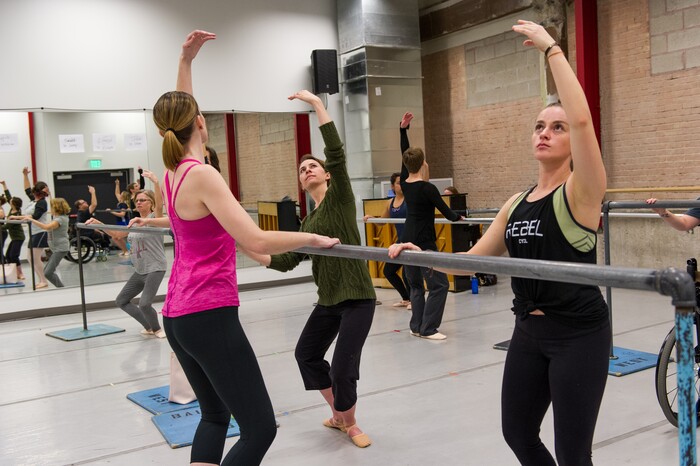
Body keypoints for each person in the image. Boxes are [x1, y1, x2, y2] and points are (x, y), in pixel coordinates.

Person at [389, 21, 609, 466]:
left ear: (573, 142)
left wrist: (552, 50)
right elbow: (470, 263)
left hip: (578, 334)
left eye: (557, 128)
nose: (545, 132)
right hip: (528, 330)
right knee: (518, 434)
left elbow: (584, 119)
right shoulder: (516, 202)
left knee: (573, 454)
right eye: (539, 126)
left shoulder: (581, 193)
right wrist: (422, 255)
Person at [132, 30, 339, 466]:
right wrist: (313, 238)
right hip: (208, 314)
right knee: (260, 428)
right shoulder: (203, 175)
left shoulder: (172, 174)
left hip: (178, 316)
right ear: (201, 124)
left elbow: (182, 109)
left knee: (213, 416)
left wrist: (186, 61)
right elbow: (256, 239)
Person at [245, 90, 377, 449]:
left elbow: (335, 152)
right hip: (329, 301)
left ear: (327, 176)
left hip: (358, 299)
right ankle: (340, 415)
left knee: (344, 367)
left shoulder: (340, 197)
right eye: (302, 170)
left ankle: (349, 423)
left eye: (312, 166)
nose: (307, 170)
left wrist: (317, 106)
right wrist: (249, 247)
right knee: (306, 355)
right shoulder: (307, 223)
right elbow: (287, 261)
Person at [398, 111, 464, 341]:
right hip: (424, 242)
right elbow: (447, 213)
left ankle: (416, 326)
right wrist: (459, 218)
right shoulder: (428, 188)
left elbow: (404, 155)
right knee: (439, 285)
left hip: (406, 239)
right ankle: (428, 328)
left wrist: (402, 129)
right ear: (423, 162)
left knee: (416, 285)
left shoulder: (405, 184)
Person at [87, 188, 166, 338]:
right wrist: (98, 223)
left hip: (155, 268)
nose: (139, 202)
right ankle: (148, 326)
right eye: (137, 200)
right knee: (121, 300)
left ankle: (157, 329)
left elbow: (160, 205)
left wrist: (156, 182)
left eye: (142, 200)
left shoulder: (154, 219)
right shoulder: (134, 223)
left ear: (151, 203)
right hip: (140, 270)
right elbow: (116, 234)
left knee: (144, 304)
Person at [363, 172, 410, 307]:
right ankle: (406, 298)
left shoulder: (411, 200)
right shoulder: (390, 202)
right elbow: (382, 222)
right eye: (398, 183)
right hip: (400, 242)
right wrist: (371, 218)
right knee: (388, 271)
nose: (401, 185)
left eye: (403, 182)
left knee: (408, 275)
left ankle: (415, 300)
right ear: (392, 186)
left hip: (411, 241)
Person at [15, 198, 71, 288]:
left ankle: (61, 288)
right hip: (56, 248)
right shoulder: (57, 217)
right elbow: (31, 216)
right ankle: (61, 287)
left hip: (60, 248)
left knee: (48, 272)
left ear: (56, 208)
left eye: (52, 207)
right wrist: (17, 217)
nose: (50, 209)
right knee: (47, 271)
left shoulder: (59, 220)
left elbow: (46, 227)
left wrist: (32, 220)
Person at [22, 167, 50, 288]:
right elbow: (27, 189)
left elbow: (36, 216)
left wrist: (19, 218)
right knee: (29, 258)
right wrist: (25, 176)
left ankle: (43, 280)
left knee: (35, 258)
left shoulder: (42, 202)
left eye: (34, 191)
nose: (31, 193)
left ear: (37, 192)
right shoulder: (34, 201)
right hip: (33, 233)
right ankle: (41, 279)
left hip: (40, 232)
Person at [1, 182, 26, 281]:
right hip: (14, 238)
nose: (9, 202)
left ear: (14, 204)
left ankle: (20, 273)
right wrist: (4, 185)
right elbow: (8, 197)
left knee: (13, 256)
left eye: (11, 202)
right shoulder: (12, 210)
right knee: (8, 255)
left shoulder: (16, 214)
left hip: (18, 237)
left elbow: (7, 226)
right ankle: (15, 273)